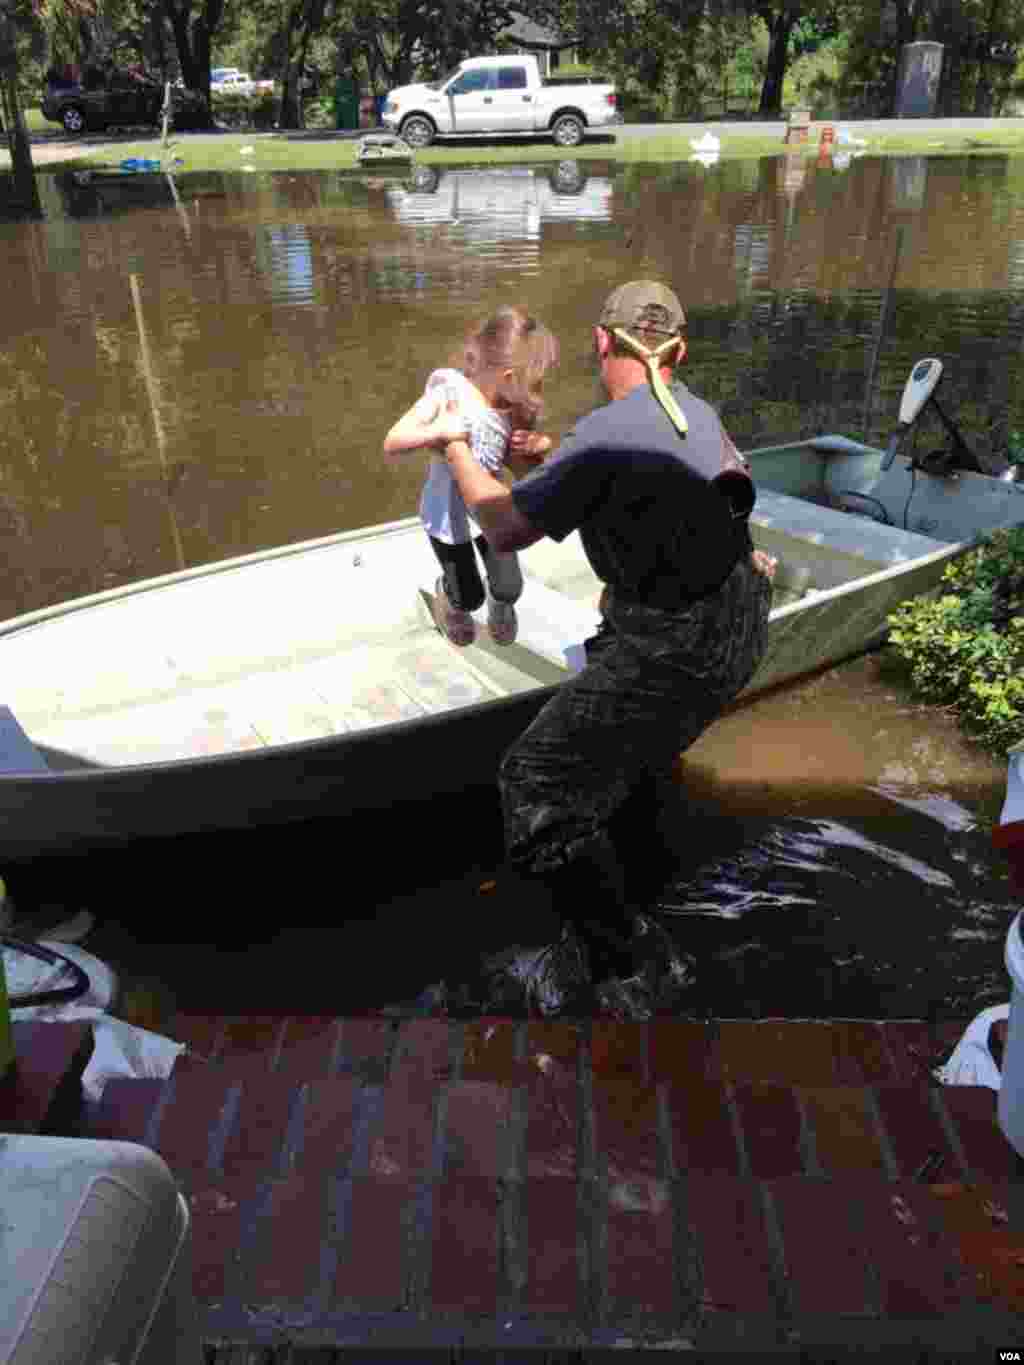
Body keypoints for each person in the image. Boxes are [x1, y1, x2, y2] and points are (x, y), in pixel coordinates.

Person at [436, 280, 778, 1007]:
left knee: (534, 784)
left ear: (599, 342)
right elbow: (637, 473)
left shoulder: (604, 436)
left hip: (678, 645)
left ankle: (625, 966)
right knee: (619, 751)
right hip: (739, 616)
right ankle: (638, 850)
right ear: (678, 352)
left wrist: (457, 445)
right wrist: (554, 460)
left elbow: (501, 527)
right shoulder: (696, 413)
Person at [383, 306, 556, 646]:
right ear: (508, 378)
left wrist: (539, 448)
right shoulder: (448, 393)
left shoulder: (511, 409)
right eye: (535, 383)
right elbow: (393, 441)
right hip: (449, 517)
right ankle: (448, 597)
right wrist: (437, 431)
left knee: (509, 588)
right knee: (468, 597)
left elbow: (524, 472)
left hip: (490, 509)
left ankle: (500, 605)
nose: (538, 392)